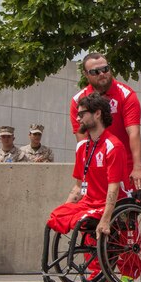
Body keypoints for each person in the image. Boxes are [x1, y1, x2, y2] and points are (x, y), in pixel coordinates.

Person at [47, 93, 127, 238]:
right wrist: (67, 207)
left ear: (97, 114)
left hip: (106, 205)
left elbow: (113, 187)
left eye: (82, 114)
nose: (78, 119)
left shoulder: (113, 146)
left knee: (79, 221)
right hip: (87, 202)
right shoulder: (82, 146)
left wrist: (106, 219)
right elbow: (79, 186)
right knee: (56, 216)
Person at [69, 52, 141, 190]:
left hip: (124, 167)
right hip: (96, 168)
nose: (102, 74)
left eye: (105, 69)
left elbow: (134, 133)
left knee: (124, 209)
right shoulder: (78, 101)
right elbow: (82, 141)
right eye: (95, 71)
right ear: (86, 74)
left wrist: (138, 167)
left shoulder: (126, 95)